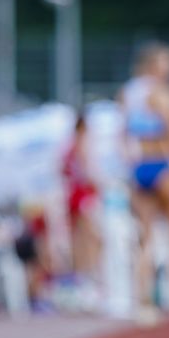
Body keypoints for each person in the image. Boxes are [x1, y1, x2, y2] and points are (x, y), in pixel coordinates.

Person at [119, 43, 169, 325]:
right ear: (154, 65)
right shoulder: (162, 93)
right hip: (165, 166)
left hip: (140, 167)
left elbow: (123, 135)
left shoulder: (128, 93)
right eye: (168, 63)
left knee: (146, 239)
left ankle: (145, 306)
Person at [61, 111, 103, 297]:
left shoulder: (68, 147)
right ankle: (90, 277)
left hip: (73, 195)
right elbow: (88, 172)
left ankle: (81, 277)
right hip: (84, 195)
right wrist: (102, 184)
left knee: (79, 238)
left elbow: (62, 171)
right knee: (92, 238)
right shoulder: (82, 145)